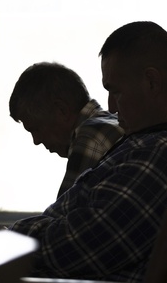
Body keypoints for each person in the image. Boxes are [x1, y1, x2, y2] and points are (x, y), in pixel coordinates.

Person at [10, 21, 167, 283]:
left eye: (115, 91)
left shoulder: (161, 154)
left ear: (151, 82)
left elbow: (85, 246)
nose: (111, 107)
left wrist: (9, 239)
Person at [9, 62, 125, 198]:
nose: (36, 140)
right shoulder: (110, 122)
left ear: (61, 110)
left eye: (36, 129)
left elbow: (63, 215)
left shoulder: (91, 136)